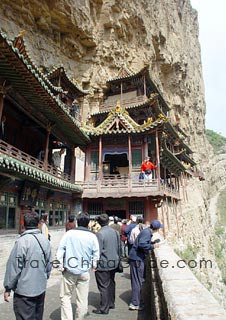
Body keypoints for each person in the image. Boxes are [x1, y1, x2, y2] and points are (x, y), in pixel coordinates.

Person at [3, 211, 51, 320]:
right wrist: (45, 277)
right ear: (38, 223)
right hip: (40, 288)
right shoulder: (45, 240)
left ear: (23, 224)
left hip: (24, 292)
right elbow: (48, 264)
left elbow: (14, 267)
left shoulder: (22, 241)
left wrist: (8, 287)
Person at [56, 212, 100, 320]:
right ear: (88, 223)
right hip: (84, 271)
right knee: (83, 299)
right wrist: (94, 266)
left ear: (77, 222)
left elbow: (60, 251)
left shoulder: (68, 234)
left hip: (69, 271)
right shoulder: (92, 236)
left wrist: (60, 266)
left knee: (65, 297)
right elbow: (96, 253)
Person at [128, 219, 163, 311]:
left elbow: (143, 243)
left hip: (136, 258)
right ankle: (135, 303)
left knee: (137, 280)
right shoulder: (147, 233)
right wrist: (153, 246)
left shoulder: (146, 231)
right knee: (137, 281)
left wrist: (152, 243)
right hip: (137, 259)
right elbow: (141, 244)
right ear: (156, 229)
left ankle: (137, 300)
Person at [93, 214, 121, 315]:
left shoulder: (100, 234)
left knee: (103, 285)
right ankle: (111, 302)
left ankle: (104, 308)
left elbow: (98, 251)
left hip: (104, 263)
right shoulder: (115, 232)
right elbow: (119, 247)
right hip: (114, 261)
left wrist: (94, 264)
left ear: (99, 223)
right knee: (111, 283)